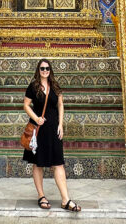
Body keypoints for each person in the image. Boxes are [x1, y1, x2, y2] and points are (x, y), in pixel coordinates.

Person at [23, 58, 81, 212]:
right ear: (38, 70)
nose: (45, 71)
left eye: (47, 68)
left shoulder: (55, 86)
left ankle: (65, 199)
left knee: (58, 163)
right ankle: (41, 195)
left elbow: (60, 104)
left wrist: (61, 125)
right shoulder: (33, 87)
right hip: (39, 130)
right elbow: (26, 105)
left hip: (53, 129)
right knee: (38, 163)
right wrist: (36, 118)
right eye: (42, 68)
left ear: (50, 70)